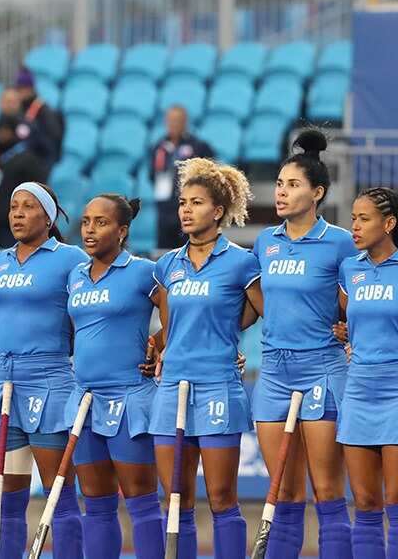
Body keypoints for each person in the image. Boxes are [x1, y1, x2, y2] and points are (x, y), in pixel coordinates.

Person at [149, 157, 263, 559]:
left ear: (217, 211)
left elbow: (259, 312)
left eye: (196, 202)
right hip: (170, 390)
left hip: (217, 386)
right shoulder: (167, 265)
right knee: (174, 499)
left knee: (221, 498)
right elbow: (168, 327)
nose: (186, 210)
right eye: (183, 202)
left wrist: (228, 338)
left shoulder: (241, 262)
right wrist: (154, 350)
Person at [250, 129, 356, 559]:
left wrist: (353, 331)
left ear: (318, 193)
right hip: (274, 371)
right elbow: (255, 304)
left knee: (327, 490)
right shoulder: (264, 242)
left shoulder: (340, 242)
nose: (281, 192)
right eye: (279, 184)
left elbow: (357, 304)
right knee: (283, 492)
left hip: (323, 371)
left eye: (292, 185)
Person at [0, 182, 87, 559]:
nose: (18, 214)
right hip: (2, 379)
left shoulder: (71, 259)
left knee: (59, 494)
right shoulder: (0, 261)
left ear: (49, 216)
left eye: (28, 207)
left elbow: (88, 314)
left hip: (50, 377)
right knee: (6, 499)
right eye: (13, 207)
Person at [68, 194, 165, 559]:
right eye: (86, 221)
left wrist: (159, 344)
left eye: (102, 223)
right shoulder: (76, 275)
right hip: (84, 400)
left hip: (128, 398)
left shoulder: (142, 271)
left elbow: (174, 309)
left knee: (141, 502)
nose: (90, 230)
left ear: (122, 231)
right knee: (96, 504)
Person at [334, 187, 398, 559]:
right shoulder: (350, 269)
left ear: (389, 223)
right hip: (358, 388)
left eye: (364, 219)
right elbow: (345, 320)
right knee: (365, 501)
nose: (354, 226)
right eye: (353, 218)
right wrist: (346, 337)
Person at [0, 113, 51, 248]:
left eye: (3, 130)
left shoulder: (28, 160)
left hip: (11, 231)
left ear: (13, 132)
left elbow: (37, 193)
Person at [150, 105, 214, 250]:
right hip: (164, 210)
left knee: (190, 249)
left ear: (185, 122)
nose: (174, 124)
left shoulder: (198, 146)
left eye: (178, 120)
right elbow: (152, 174)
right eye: (171, 120)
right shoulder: (159, 147)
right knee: (164, 252)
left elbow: (210, 174)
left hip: (189, 209)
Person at [11, 69, 65, 166]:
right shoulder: (20, 108)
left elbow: (53, 138)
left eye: (21, 89)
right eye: (17, 89)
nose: (18, 93)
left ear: (30, 89)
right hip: (26, 159)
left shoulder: (43, 110)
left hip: (41, 160)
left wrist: (34, 135)